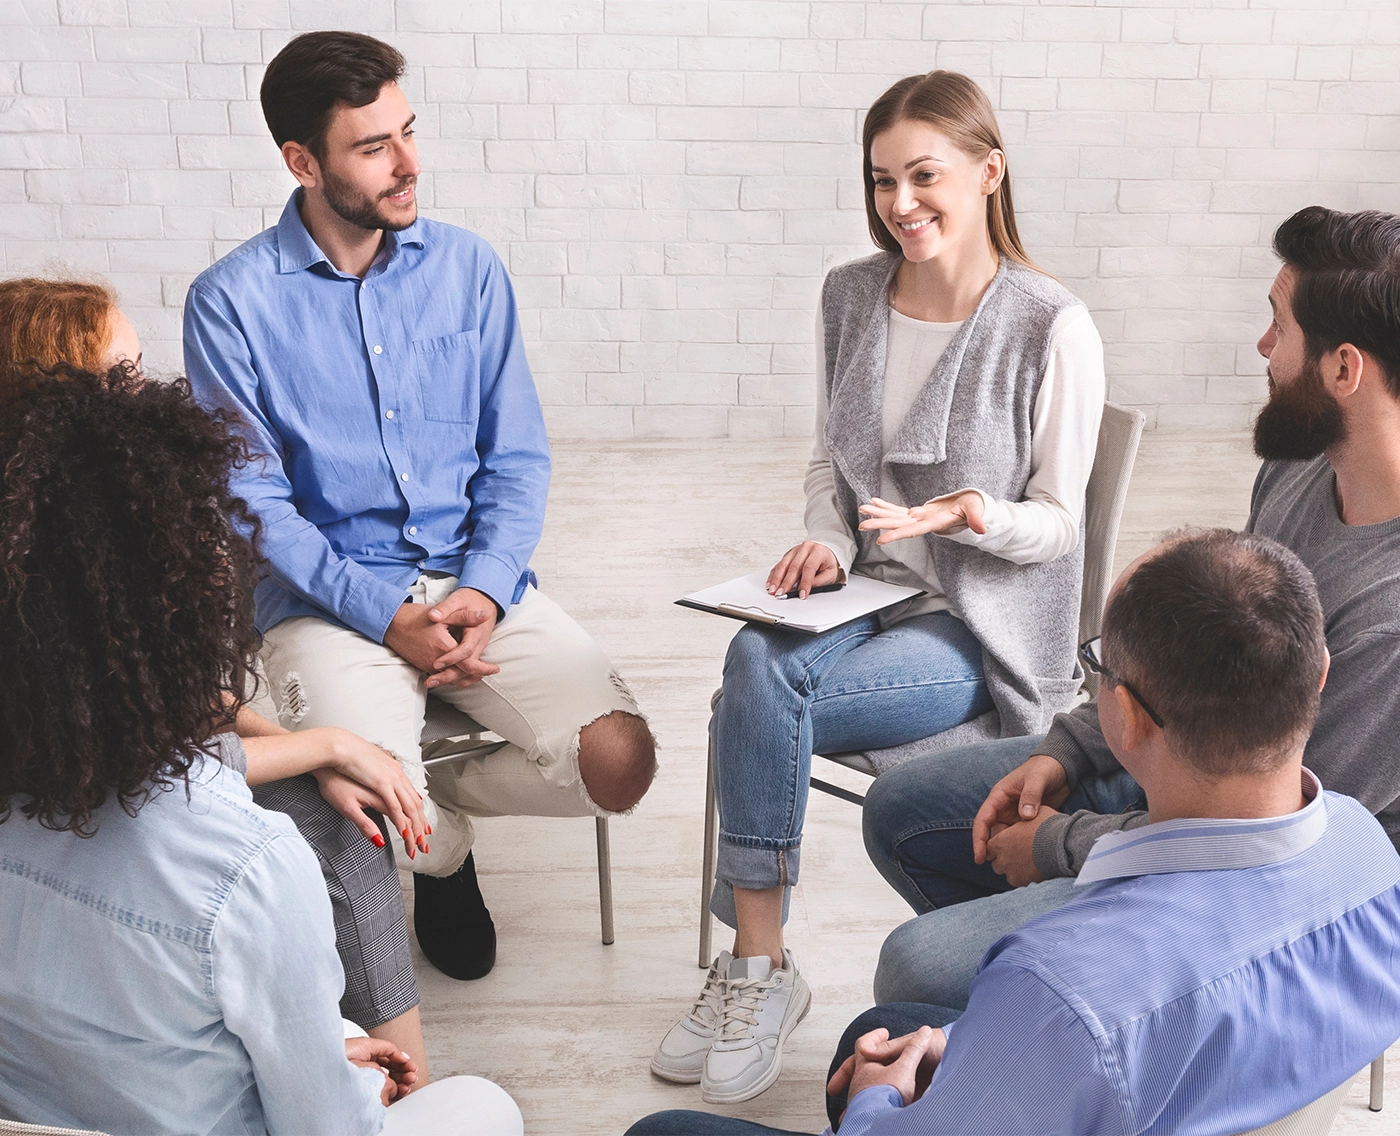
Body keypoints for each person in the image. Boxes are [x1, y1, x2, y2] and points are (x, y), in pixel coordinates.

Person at [629, 530, 1400, 1135]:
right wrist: (981, 1049)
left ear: (1127, 717)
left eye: (1098, 666)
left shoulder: (1055, 985)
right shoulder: (1372, 858)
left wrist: (875, 1101)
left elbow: (1071, 1028)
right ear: (1318, 675)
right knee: (885, 1030)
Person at [655, 70, 1105, 1103]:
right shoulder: (850, 294)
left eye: (923, 175)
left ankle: (756, 967)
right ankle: (762, 965)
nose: (899, 202)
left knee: (753, 693)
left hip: (971, 622)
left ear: (988, 172)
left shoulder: (1050, 324)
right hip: (860, 591)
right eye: (881, 180)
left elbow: (1059, 524)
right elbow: (830, 461)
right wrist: (824, 539)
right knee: (753, 653)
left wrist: (974, 514)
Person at [183, 31, 656, 983]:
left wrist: (483, 588)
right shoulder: (229, 303)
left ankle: (441, 801)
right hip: (326, 603)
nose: (408, 165)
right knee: (372, 815)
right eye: (373, 147)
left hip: (471, 582)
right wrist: (385, 616)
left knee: (621, 761)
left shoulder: (468, 268)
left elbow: (515, 456)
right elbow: (254, 505)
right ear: (302, 162)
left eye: (408, 132)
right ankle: (444, 854)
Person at [863, 204, 1400, 1010]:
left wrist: (1060, 846)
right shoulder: (1302, 467)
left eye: (1279, 327)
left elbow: (1268, 834)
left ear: (1344, 369)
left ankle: (1087, 1018)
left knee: (918, 968)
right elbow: (1196, 656)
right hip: (1193, 765)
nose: (1263, 346)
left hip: (1270, 887)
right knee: (901, 810)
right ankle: (1037, 1022)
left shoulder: (1389, 617)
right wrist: (1073, 748)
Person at [0, 364, 523, 1135]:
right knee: (485, 1104)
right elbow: (323, 1127)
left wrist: (328, 1047)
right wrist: (347, 1078)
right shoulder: (249, 868)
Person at [0, 275, 433, 1076]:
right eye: (126, 375)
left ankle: (381, 1060)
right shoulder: (45, 564)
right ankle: (403, 1083)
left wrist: (311, 747)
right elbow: (137, 761)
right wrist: (328, 745)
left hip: (117, 782)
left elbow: (172, 703)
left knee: (337, 812)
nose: (153, 394)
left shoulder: (88, 529)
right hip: (86, 809)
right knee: (331, 829)